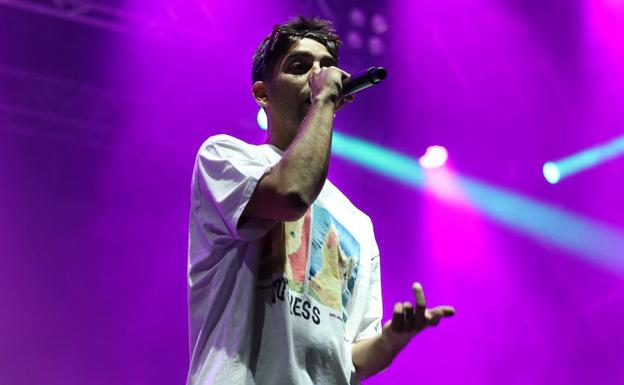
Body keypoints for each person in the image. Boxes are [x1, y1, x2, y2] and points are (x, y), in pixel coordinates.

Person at [186, 16, 455, 385]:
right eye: (300, 67)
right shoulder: (225, 158)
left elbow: (354, 358)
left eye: (327, 68)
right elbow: (291, 195)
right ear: (262, 93)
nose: (317, 76)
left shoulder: (358, 224)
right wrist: (324, 97)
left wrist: (393, 339)